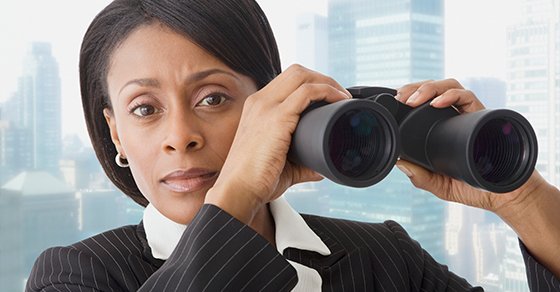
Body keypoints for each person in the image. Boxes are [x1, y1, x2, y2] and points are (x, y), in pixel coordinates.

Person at [25, 0, 559, 291]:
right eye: (145, 109)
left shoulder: (385, 259)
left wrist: (522, 199)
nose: (180, 135)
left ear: (268, 103)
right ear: (115, 132)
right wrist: (235, 194)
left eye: (213, 98)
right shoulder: (75, 276)